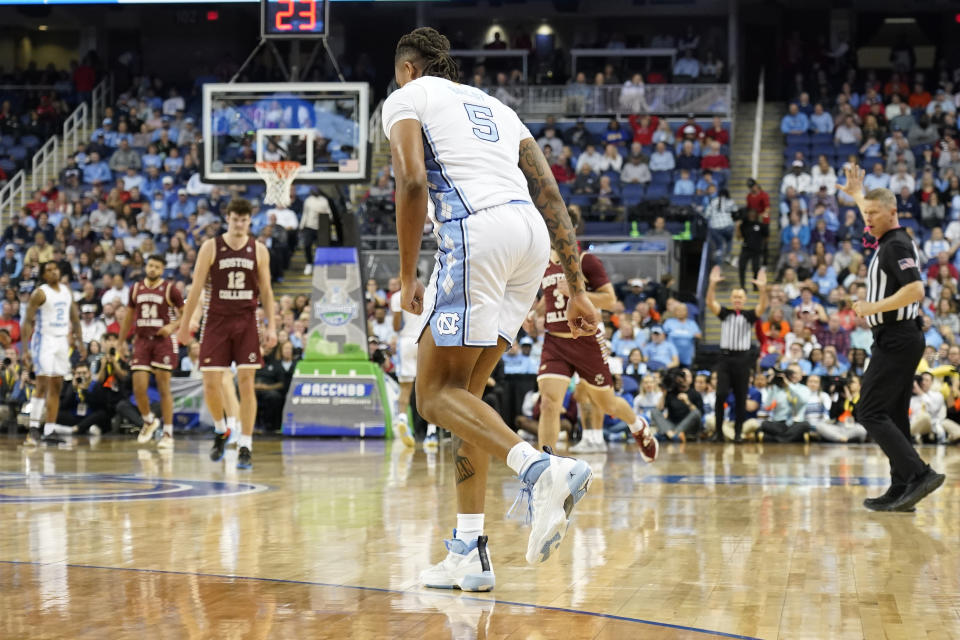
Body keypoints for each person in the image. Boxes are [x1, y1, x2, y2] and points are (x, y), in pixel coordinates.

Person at [384, 27, 598, 589]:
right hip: (528, 238)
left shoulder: (407, 97)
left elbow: (411, 183)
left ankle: (540, 468)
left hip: (476, 230)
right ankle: (469, 550)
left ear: (408, 69)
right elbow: (550, 195)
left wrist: (407, 274)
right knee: (465, 401)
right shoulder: (500, 110)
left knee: (431, 396)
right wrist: (575, 287)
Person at [838, 165, 944, 511]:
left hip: (897, 337)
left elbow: (915, 289)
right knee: (894, 414)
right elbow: (871, 212)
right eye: (864, 213)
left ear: (892, 213)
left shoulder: (897, 244)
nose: (866, 218)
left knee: (868, 410)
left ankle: (920, 474)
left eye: (873, 213)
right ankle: (902, 488)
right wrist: (858, 194)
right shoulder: (885, 237)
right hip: (896, 337)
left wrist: (871, 307)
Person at [531, 207, 658, 455]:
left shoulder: (585, 260)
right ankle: (546, 466)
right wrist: (533, 314)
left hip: (585, 340)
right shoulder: (543, 262)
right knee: (548, 403)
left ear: (571, 229)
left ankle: (637, 425)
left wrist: (577, 294)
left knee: (606, 402)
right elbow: (548, 297)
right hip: (555, 342)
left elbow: (609, 300)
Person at [176, 198, 276, 470]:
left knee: (246, 383)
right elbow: (195, 290)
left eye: (244, 220)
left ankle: (246, 444)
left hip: (246, 322)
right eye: (235, 219)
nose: (240, 224)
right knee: (210, 384)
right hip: (216, 322)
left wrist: (272, 326)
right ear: (227, 218)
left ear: (249, 221)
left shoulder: (258, 250)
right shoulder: (210, 247)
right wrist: (185, 326)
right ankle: (222, 430)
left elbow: (266, 291)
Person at [120, 254, 184, 449]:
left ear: (162, 270)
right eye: (150, 265)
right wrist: (121, 341)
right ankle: (148, 421)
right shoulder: (136, 288)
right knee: (138, 386)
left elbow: (184, 315)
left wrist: (172, 327)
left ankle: (168, 433)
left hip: (162, 341)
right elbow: (128, 317)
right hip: (141, 341)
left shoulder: (170, 289)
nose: (152, 269)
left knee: (164, 388)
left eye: (157, 266)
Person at [705, 264, 768, 442]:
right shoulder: (725, 313)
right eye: (735, 296)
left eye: (740, 296)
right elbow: (710, 302)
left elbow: (762, 307)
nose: (738, 299)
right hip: (725, 358)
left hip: (742, 359)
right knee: (720, 395)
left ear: (745, 299)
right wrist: (712, 284)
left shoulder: (749, 315)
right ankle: (718, 432)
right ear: (731, 299)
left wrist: (763, 290)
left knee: (741, 397)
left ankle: (738, 433)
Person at [21, 261, 81, 445]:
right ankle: (33, 429)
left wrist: (80, 341)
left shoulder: (66, 291)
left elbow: (75, 318)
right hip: (44, 340)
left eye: (55, 269)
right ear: (43, 275)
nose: (53, 272)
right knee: (42, 384)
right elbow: (27, 321)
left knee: (56, 386)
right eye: (48, 270)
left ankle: (49, 430)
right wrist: (25, 349)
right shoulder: (40, 293)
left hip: (62, 340)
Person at [391, 272, 422, 449]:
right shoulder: (427, 293)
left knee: (405, 388)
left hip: (405, 341)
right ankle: (431, 432)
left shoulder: (397, 296)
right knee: (427, 388)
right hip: (422, 341)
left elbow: (396, 326)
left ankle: (402, 418)